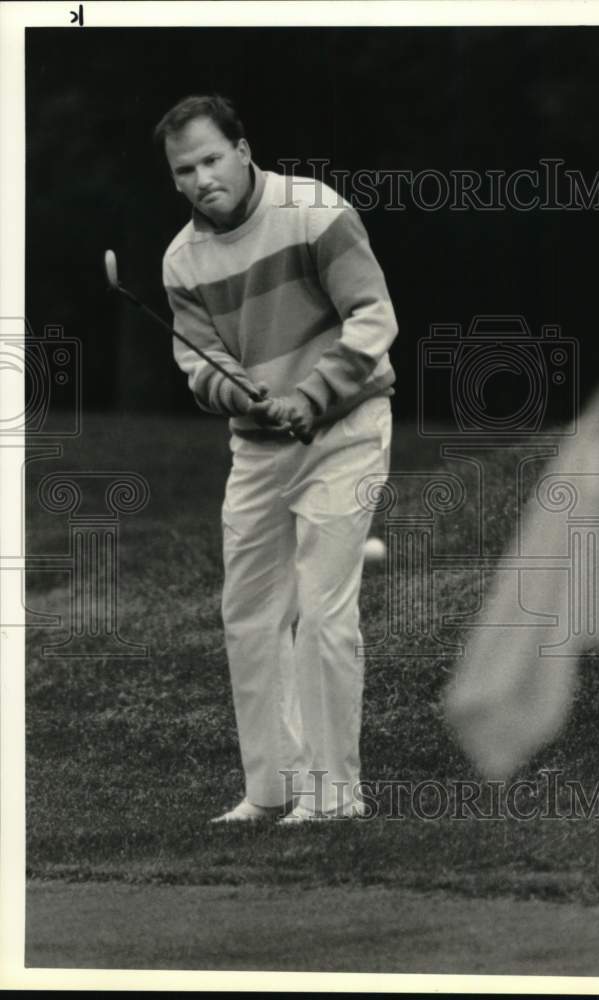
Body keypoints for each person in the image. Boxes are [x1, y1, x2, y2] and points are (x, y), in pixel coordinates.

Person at [154, 94, 397, 824]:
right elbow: (201, 362)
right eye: (184, 170)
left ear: (243, 150)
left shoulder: (315, 212)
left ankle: (334, 795)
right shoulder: (181, 261)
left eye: (210, 159)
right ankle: (273, 789)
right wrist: (240, 393)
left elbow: (374, 316)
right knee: (249, 615)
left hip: (346, 431)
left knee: (323, 613)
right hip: (259, 449)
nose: (201, 179)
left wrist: (313, 394)